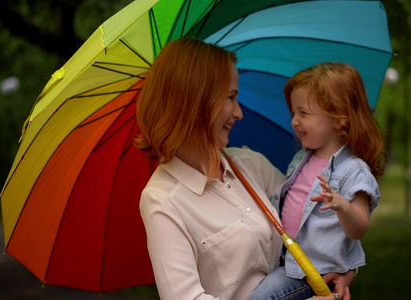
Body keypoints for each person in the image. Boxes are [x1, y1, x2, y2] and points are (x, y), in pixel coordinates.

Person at [135, 38, 353, 300]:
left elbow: (315, 221)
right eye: (230, 97)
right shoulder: (162, 199)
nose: (238, 113)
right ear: (195, 101)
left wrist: (343, 269)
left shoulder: (250, 164)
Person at [249, 62, 386, 300]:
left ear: (338, 117)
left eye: (304, 113)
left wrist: (343, 206)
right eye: (293, 113)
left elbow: (359, 228)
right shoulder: (301, 159)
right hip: (285, 260)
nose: (294, 121)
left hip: (312, 273)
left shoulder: (354, 170)